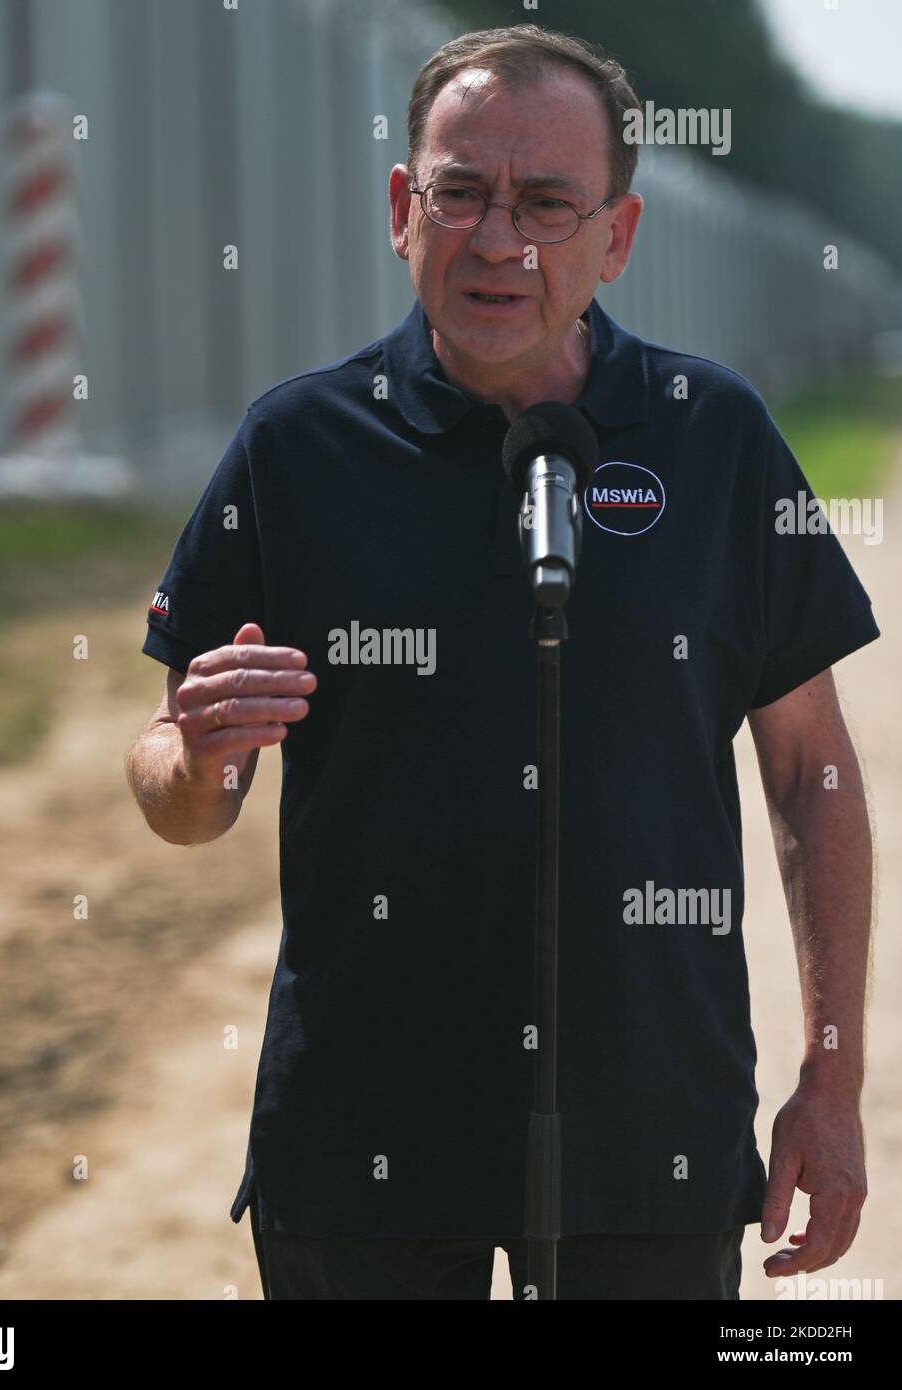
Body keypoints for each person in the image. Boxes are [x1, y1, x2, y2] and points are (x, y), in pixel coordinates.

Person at [126, 25, 877, 1300]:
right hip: (361, 1135)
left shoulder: (717, 442)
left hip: (648, 1131)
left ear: (617, 236)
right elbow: (175, 791)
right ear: (399, 210)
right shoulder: (296, 447)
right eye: (459, 191)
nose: (495, 240)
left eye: (544, 203)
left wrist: (832, 1076)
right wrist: (195, 758)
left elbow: (810, 767)